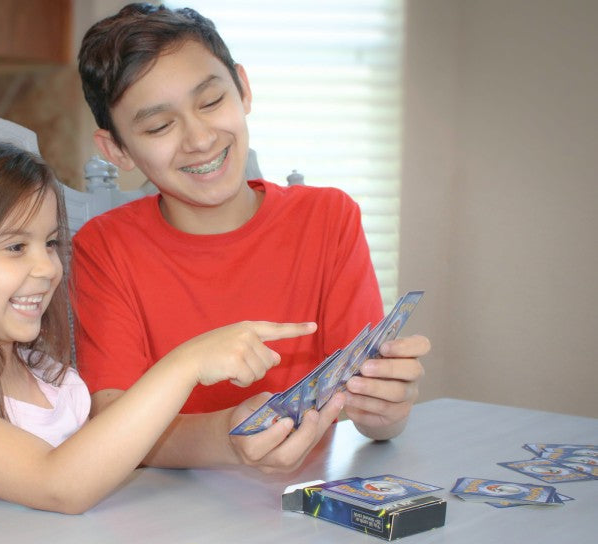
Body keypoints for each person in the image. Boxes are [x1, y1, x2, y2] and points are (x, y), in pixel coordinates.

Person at [0, 137, 315, 527]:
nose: (47, 267)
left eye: (50, 243)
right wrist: (186, 363)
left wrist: (239, 433)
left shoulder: (46, 375)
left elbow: (113, 453)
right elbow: (59, 484)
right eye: (15, 246)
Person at [71, 3, 432, 474]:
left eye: (211, 101)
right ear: (117, 149)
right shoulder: (104, 247)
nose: (199, 138)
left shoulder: (329, 218)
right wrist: (227, 437)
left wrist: (387, 412)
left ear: (243, 89)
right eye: (159, 126)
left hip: (305, 509)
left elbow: (368, 409)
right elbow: (113, 425)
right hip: (161, 519)